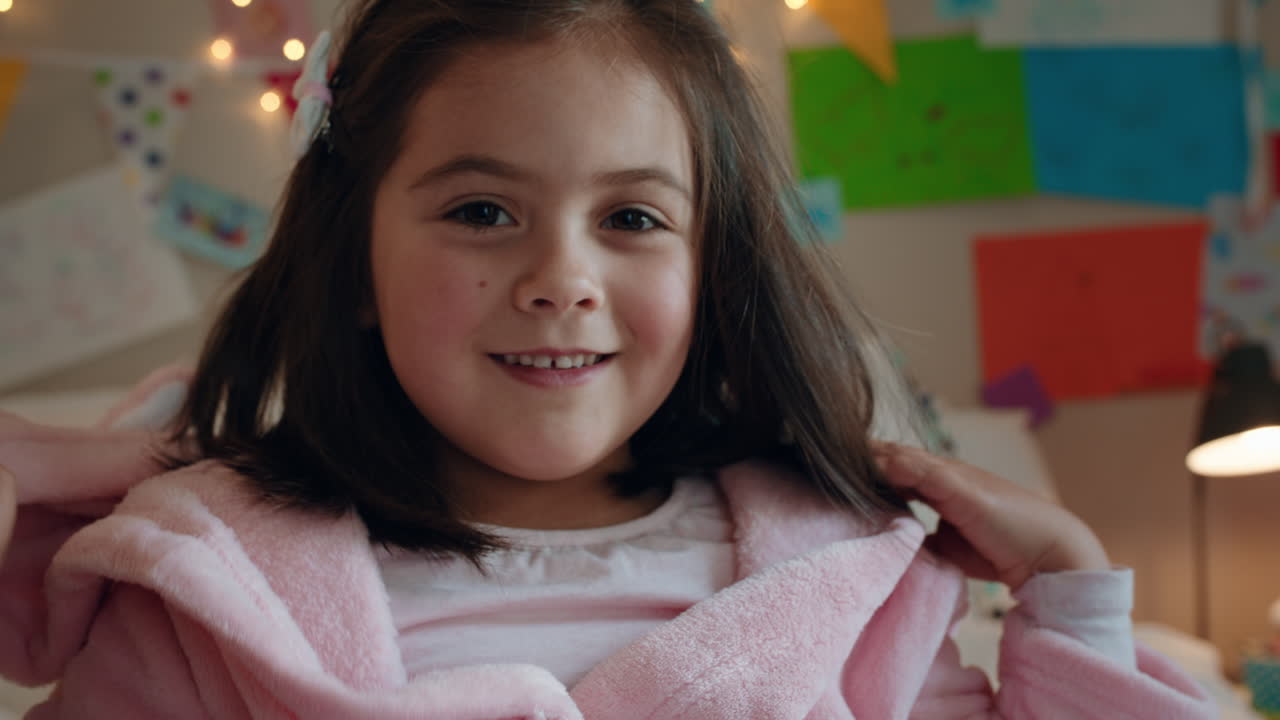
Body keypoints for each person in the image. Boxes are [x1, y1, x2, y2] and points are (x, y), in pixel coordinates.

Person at [0, 0, 1214, 717]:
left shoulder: (849, 578)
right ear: (353, 265)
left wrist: (1067, 588)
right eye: (480, 212)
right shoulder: (211, 589)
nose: (559, 279)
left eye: (631, 219)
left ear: (712, 269)